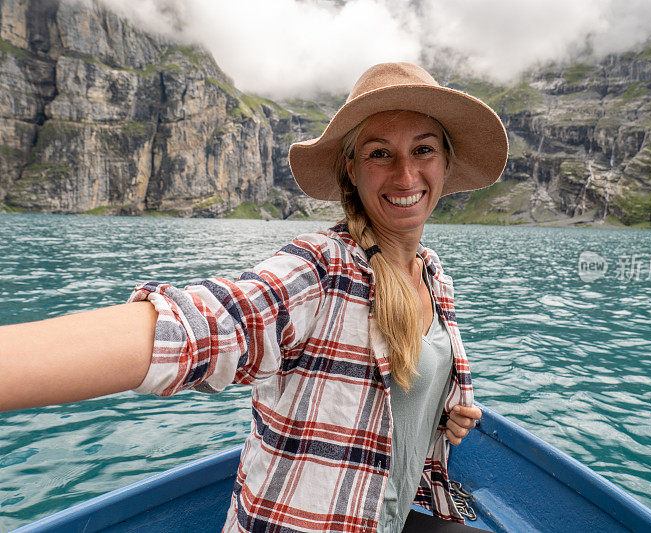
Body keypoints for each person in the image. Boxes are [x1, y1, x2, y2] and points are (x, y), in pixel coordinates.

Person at [0, 62, 508, 532]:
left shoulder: (434, 276)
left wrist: (440, 413)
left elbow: (393, 385)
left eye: (423, 150)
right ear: (352, 170)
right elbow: (207, 325)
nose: (404, 175)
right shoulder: (321, 270)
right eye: (380, 153)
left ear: (445, 163)